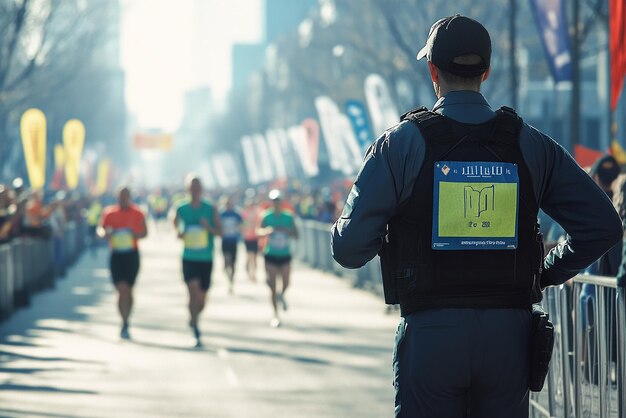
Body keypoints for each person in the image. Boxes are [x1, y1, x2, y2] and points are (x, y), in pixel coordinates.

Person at [330, 15, 622, 417]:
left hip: (431, 336)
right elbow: (603, 226)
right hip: (510, 338)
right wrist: (543, 270)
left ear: (433, 70)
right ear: (486, 71)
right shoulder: (530, 143)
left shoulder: (399, 145)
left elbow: (348, 249)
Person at [173, 176, 221, 347]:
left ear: (201, 189)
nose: (194, 190)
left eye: (197, 187)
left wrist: (208, 227)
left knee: (202, 297)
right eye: (192, 187)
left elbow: (219, 232)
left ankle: (194, 317)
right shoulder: (181, 208)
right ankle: (196, 329)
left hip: (206, 258)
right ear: (187, 189)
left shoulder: (210, 208)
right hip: (189, 258)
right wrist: (180, 232)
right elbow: (175, 224)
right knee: (192, 292)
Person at [98, 186, 148, 340]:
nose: (123, 198)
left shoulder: (138, 212)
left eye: (126, 196)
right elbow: (100, 230)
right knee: (121, 290)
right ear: (117, 196)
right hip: (116, 255)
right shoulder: (109, 212)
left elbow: (145, 233)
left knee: (129, 290)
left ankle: (127, 319)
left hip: (131, 255)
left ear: (130, 196)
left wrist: (135, 234)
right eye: (121, 196)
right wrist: (106, 233)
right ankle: (123, 321)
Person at [257, 190, 298, 328]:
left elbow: (296, 234)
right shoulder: (266, 216)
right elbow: (258, 232)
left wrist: (288, 231)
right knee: (272, 286)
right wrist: (267, 231)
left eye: (278, 200)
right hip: (271, 254)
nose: (276, 203)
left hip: (285, 255)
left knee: (286, 283)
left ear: (282, 202)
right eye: (274, 201)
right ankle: (275, 315)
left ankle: (282, 295)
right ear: (271, 202)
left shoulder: (288, 216)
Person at [220, 196, 243, 293]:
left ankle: (231, 280)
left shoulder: (236, 214)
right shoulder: (221, 214)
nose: (229, 205)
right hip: (225, 241)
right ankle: (228, 278)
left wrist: (239, 231)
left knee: (233, 264)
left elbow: (242, 225)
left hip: (234, 241)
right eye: (227, 203)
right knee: (226, 262)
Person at [241, 196, 261, 282]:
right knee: (249, 256)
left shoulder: (257, 212)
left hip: (255, 237)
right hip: (247, 237)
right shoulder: (244, 213)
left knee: (255, 257)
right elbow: (242, 225)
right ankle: (249, 273)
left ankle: (254, 273)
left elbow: (259, 223)